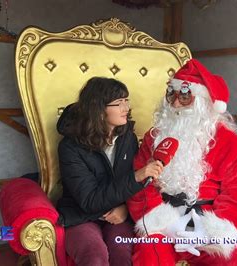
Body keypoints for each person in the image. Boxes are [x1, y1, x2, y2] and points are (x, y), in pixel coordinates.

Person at [127, 59, 237, 265]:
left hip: (207, 223)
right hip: (164, 222)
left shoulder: (226, 140)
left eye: (184, 96)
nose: (174, 103)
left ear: (203, 102)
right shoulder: (154, 137)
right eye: (171, 94)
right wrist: (168, 224)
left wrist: (207, 231)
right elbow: (140, 184)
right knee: (149, 256)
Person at [56, 77, 163, 266]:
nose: (126, 108)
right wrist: (137, 176)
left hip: (118, 214)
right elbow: (90, 201)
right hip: (81, 216)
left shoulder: (126, 137)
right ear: (98, 109)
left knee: (122, 252)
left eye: (126, 100)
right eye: (118, 103)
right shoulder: (70, 147)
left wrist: (125, 209)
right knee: (94, 256)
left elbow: (138, 190)